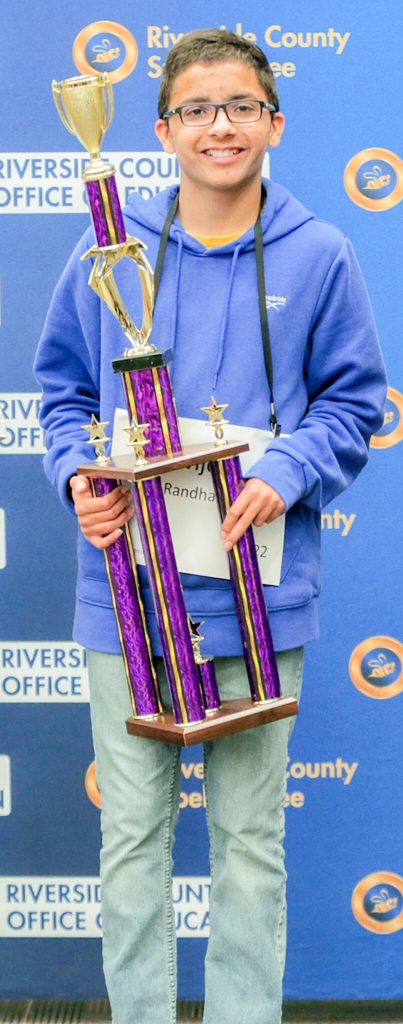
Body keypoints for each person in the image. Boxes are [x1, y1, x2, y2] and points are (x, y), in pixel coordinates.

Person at [35, 28, 387, 1024]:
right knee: (133, 836)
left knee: (247, 842)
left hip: (260, 597)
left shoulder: (322, 254)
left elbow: (353, 404)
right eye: (195, 110)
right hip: (127, 594)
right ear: (161, 132)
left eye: (238, 106)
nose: (218, 126)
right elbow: (61, 392)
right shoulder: (110, 249)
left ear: (274, 122)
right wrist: (78, 480)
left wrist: (287, 468)